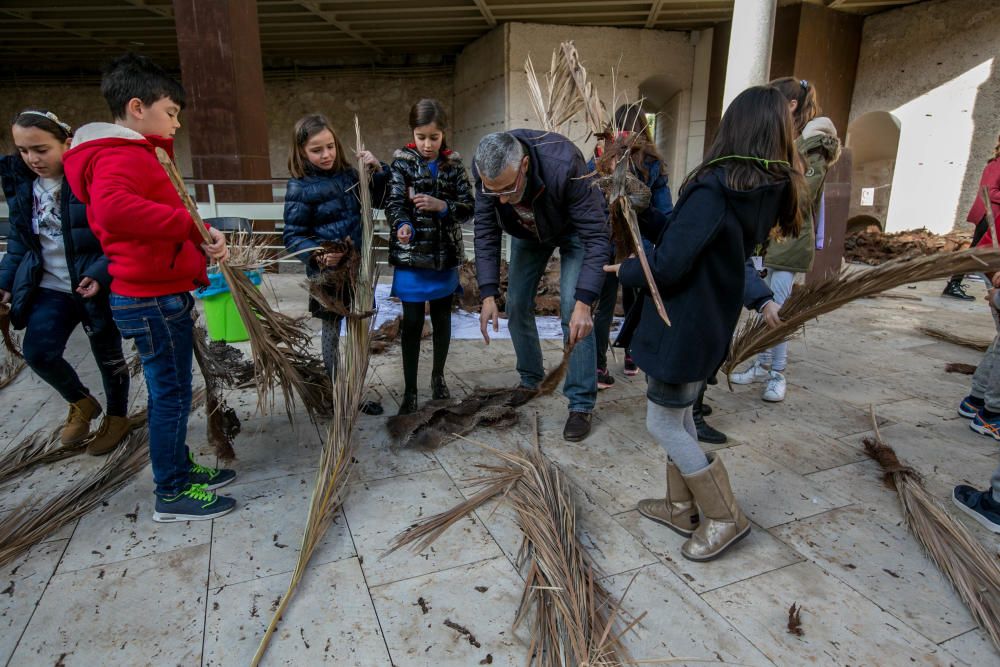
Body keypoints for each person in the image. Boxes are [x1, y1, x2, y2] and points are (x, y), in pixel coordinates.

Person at [607, 85, 804, 561]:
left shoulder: (715, 187)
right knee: (677, 416)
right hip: (707, 323)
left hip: (682, 326)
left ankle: (723, 515)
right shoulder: (756, 190)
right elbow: (718, 252)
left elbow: (672, 264)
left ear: (734, 126)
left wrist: (626, 269)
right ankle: (681, 506)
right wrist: (645, 211)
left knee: (662, 422)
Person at [63, 53, 236, 522]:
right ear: (137, 107)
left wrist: (198, 239)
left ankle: (178, 467)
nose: (176, 124)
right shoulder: (120, 155)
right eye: (171, 112)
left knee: (173, 392)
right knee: (171, 397)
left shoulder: (137, 153)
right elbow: (114, 210)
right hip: (150, 299)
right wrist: (185, 223)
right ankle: (172, 491)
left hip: (159, 294)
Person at [0, 110, 130, 455]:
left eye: (41, 149)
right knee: (38, 352)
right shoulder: (23, 186)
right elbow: (20, 241)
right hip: (50, 288)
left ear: (66, 143)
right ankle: (81, 402)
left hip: (93, 285)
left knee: (109, 355)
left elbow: (117, 233)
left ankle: (117, 417)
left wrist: (101, 273)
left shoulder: (90, 178)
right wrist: (5, 281)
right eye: (24, 151)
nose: (32, 159)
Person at [473, 130, 610, 442]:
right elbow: (485, 229)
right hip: (527, 232)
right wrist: (487, 292)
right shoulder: (485, 168)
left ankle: (580, 403)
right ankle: (530, 379)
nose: (503, 200)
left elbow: (596, 235)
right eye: (494, 193)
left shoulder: (565, 164)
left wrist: (585, 301)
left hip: (575, 232)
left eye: (508, 189)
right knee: (517, 302)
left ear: (524, 165)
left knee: (572, 313)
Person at [729, 78, 841, 403]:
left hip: (788, 239)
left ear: (790, 105)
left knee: (777, 310)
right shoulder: (789, 141)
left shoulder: (814, 146)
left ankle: (777, 373)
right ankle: (763, 366)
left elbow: (801, 198)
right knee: (766, 306)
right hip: (770, 238)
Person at [282, 113, 387, 415]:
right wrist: (317, 253)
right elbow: (292, 235)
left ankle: (355, 391)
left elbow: (378, 200)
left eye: (329, 146)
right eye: (317, 150)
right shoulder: (299, 187)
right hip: (327, 276)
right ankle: (336, 393)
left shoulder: (349, 175)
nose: (326, 154)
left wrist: (376, 171)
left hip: (359, 270)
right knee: (330, 333)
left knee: (358, 331)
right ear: (301, 151)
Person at [386, 99, 473, 415]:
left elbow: (469, 207)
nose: (427, 144)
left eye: (433, 138)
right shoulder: (402, 165)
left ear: (443, 135)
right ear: (413, 133)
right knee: (410, 323)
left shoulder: (454, 165)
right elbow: (394, 204)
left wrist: (444, 206)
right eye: (421, 137)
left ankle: (438, 377)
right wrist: (403, 225)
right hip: (411, 258)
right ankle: (410, 390)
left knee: (442, 318)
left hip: (444, 256)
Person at [590, 103, 672, 391]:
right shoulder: (603, 159)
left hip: (631, 242)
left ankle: (608, 362)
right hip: (623, 242)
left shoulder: (646, 163)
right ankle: (623, 356)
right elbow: (665, 212)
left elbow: (663, 209)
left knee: (615, 304)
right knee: (625, 302)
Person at [944, 133, 1000, 300]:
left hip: (994, 217)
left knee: (976, 251)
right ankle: (954, 284)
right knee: (974, 251)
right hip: (987, 215)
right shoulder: (996, 165)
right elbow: (989, 191)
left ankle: (956, 283)